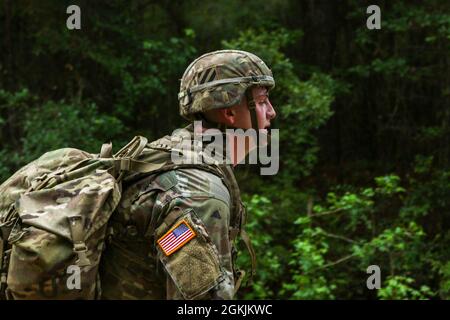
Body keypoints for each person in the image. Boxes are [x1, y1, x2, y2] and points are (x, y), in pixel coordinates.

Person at [99, 49, 277, 299]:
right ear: (230, 112)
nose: (271, 112)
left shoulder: (175, 156)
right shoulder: (201, 194)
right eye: (261, 101)